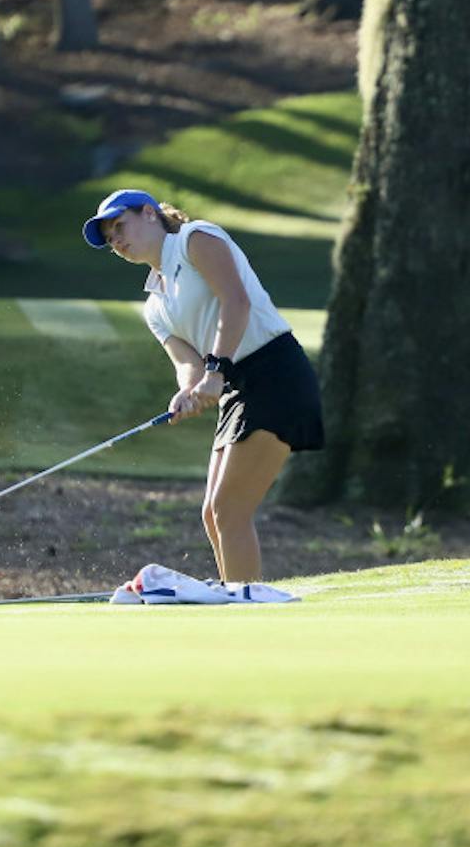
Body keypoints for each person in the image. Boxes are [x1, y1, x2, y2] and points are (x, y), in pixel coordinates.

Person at [82, 188, 323, 583]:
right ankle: (238, 601)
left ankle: (246, 612)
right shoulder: (154, 305)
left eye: (120, 227)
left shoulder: (195, 239)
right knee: (212, 514)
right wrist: (188, 390)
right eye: (110, 238)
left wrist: (215, 371)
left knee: (230, 509)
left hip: (275, 372)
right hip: (235, 387)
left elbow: (236, 302)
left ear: (149, 214)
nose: (117, 241)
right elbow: (186, 364)